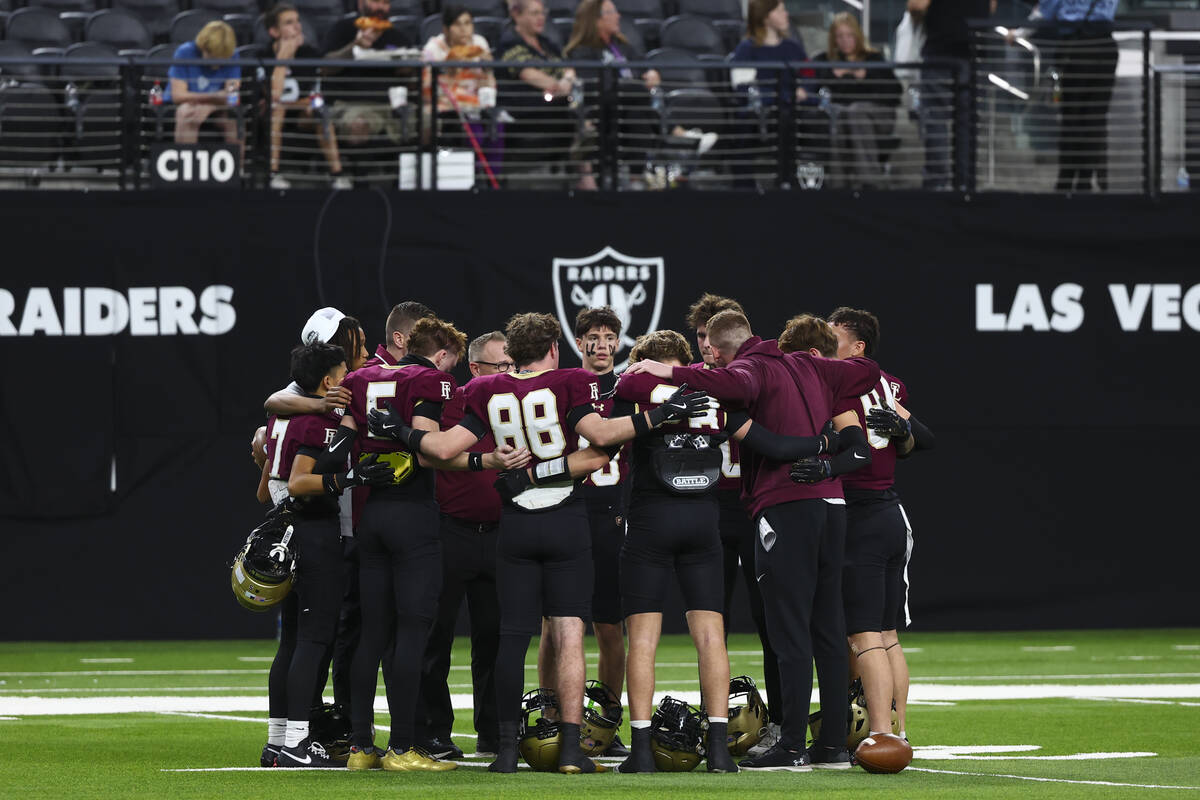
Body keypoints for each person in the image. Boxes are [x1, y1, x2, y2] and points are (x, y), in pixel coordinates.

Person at [368, 311, 711, 774]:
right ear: (553, 349)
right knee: (570, 635)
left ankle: (507, 751)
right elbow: (603, 437)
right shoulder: (569, 381)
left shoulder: (485, 389)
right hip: (566, 518)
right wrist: (660, 416)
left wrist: (402, 432)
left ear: (511, 352)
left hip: (515, 522)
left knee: (513, 638)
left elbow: (444, 449)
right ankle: (570, 751)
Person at [624, 309, 880, 770]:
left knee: (789, 630)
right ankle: (833, 746)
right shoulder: (811, 364)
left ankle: (793, 744)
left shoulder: (751, 369)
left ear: (720, 351)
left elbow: (733, 388)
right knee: (828, 626)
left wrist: (667, 370)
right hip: (833, 505)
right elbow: (867, 370)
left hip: (785, 506)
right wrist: (824, 449)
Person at [331, 315, 521, 773]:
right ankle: (403, 747)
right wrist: (482, 459)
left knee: (373, 635)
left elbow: (339, 444)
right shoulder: (430, 379)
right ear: (442, 356)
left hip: (370, 512)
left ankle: (360, 746)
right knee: (413, 632)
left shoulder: (359, 379)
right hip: (412, 515)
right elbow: (429, 448)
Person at [611, 330, 741, 774]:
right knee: (710, 636)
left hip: (652, 517)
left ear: (645, 360)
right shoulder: (711, 384)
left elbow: (622, 390)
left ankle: (642, 749)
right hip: (704, 517)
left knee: (643, 640)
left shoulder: (636, 384)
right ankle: (719, 750)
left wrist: (641, 371)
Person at [259, 341, 391, 768]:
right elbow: (300, 482)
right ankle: (296, 742)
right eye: (343, 371)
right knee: (315, 639)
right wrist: (347, 477)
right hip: (312, 531)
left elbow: (265, 488)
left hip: (286, 528)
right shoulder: (316, 421)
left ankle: (278, 740)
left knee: (293, 641)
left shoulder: (283, 413)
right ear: (330, 381)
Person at [822, 307, 933, 745]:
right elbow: (921, 439)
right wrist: (904, 431)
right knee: (887, 636)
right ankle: (900, 731)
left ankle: (880, 734)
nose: (824, 347)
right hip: (890, 511)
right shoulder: (892, 386)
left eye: (833, 338)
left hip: (859, 513)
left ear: (858, 346)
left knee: (864, 633)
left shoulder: (841, 385)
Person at [684, 293, 782, 756]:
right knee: (710, 623)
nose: (706, 345)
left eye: (711, 336)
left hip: (755, 506)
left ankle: (782, 720)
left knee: (772, 620)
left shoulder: (756, 378)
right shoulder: (688, 383)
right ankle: (715, 724)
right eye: (700, 336)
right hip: (706, 508)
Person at [414, 331, 512, 760]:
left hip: (500, 533)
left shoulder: (515, 402)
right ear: (475, 370)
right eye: (501, 367)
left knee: (495, 637)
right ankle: (435, 731)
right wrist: (483, 461)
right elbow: (431, 452)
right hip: (450, 532)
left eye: (513, 366)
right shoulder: (451, 402)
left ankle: (493, 729)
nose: (509, 375)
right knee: (437, 638)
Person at [537, 307, 630, 758]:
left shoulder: (632, 387)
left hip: (612, 515)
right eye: (592, 336)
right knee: (555, 624)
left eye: (609, 336)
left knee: (610, 627)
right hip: (567, 506)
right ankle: (549, 716)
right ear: (578, 342)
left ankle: (608, 720)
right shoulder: (564, 386)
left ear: (618, 341)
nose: (601, 344)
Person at [564, 0, 717, 163]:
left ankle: (637, 176)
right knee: (635, 92)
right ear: (595, 19)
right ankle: (680, 136)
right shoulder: (582, 51)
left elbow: (643, 65)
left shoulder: (621, 46)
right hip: (604, 106)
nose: (618, 16)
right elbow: (594, 85)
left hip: (630, 104)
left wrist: (651, 73)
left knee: (637, 114)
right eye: (611, 12)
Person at [257, 4, 350, 190]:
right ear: (274, 32)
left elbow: (316, 95)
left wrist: (308, 103)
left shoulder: (309, 54)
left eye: (297, 21)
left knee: (319, 110)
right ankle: (273, 174)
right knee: (278, 109)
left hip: (301, 114)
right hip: (270, 115)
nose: (297, 26)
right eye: (289, 23)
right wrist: (283, 59)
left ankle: (337, 174)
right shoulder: (263, 56)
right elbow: (274, 96)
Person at [497, 0, 588, 188]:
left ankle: (586, 156)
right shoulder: (509, 43)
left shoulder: (547, 43)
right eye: (534, 13)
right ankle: (585, 166)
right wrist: (561, 85)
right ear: (517, 15)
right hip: (530, 109)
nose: (541, 18)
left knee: (586, 100)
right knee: (577, 107)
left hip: (560, 101)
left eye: (542, 13)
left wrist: (567, 82)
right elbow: (530, 74)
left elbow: (569, 68)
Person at [1033, 0, 1119, 192]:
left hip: (1076, 46)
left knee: (1072, 117)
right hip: (1105, 46)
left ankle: (1066, 178)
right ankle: (1086, 179)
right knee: (1095, 118)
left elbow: (1048, 10)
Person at [906, 0, 992, 189]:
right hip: (975, 54)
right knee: (967, 125)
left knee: (936, 120)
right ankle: (964, 184)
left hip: (941, 52)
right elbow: (991, 7)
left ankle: (938, 183)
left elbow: (916, 5)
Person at [811, 13, 902, 189]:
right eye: (840, 36)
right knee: (842, 115)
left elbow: (894, 92)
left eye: (849, 35)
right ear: (833, 39)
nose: (845, 41)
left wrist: (865, 76)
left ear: (858, 35)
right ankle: (839, 187)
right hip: (843, 115)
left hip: (879, 115)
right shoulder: (825, 61)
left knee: (854, 112)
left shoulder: (874, 59)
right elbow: (816, 89)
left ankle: (869, 183)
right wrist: (835, 76)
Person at [322, 0, 413, 148]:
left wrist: (408, 71)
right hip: (350, 104)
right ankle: (360, 170)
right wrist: (354, 47)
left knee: (429, 120)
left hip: (392, 105)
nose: (381, 8)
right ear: (360, 3)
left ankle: (424, 170)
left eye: (385, 3)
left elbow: (412, 81)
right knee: (359, 124)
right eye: (376, 1)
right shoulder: (342, 28)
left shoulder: (398, 36)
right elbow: (324, 68)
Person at [421, 4, 500, 158]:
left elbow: (490, 86)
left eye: (468, 23)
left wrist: (488, 69)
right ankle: (467, 177)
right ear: (446, 29)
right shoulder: (433, 49)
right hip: (447, 107)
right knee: (467, 131)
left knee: (497, 126)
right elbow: (426, 91)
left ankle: (489, 179)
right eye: (457, 24)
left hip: (477, 106)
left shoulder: (479, 44)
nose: (464, 29)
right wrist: (450, 72)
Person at [167, 20, 242, 147]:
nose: (217, 65)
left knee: (233, 117)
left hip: (216, 107)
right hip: (186, 105)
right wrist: (214, 97)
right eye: (213, 58)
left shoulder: (233, 54)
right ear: (203, 48)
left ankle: (238, 166)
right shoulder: (184, 52)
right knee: (187, 113)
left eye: (223, 60)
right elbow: (178, 95)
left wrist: (209, 106)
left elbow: (232, 96)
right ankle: (186, 165)